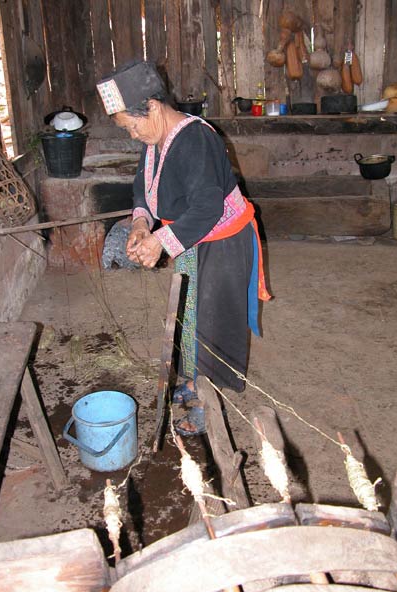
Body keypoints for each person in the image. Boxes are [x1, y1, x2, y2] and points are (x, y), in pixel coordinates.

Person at [97, 61, 270, 436]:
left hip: (223, 243)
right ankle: (194, 382)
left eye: (132, 125)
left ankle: (208, 403)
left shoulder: (195, 140)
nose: (132, 135)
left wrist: (161, 242)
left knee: (213, 323)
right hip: (192, 240)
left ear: (154, 107)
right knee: (189, 318)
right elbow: (143, 185)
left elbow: (207, 208)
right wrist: (142, 222)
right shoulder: (155, 139)